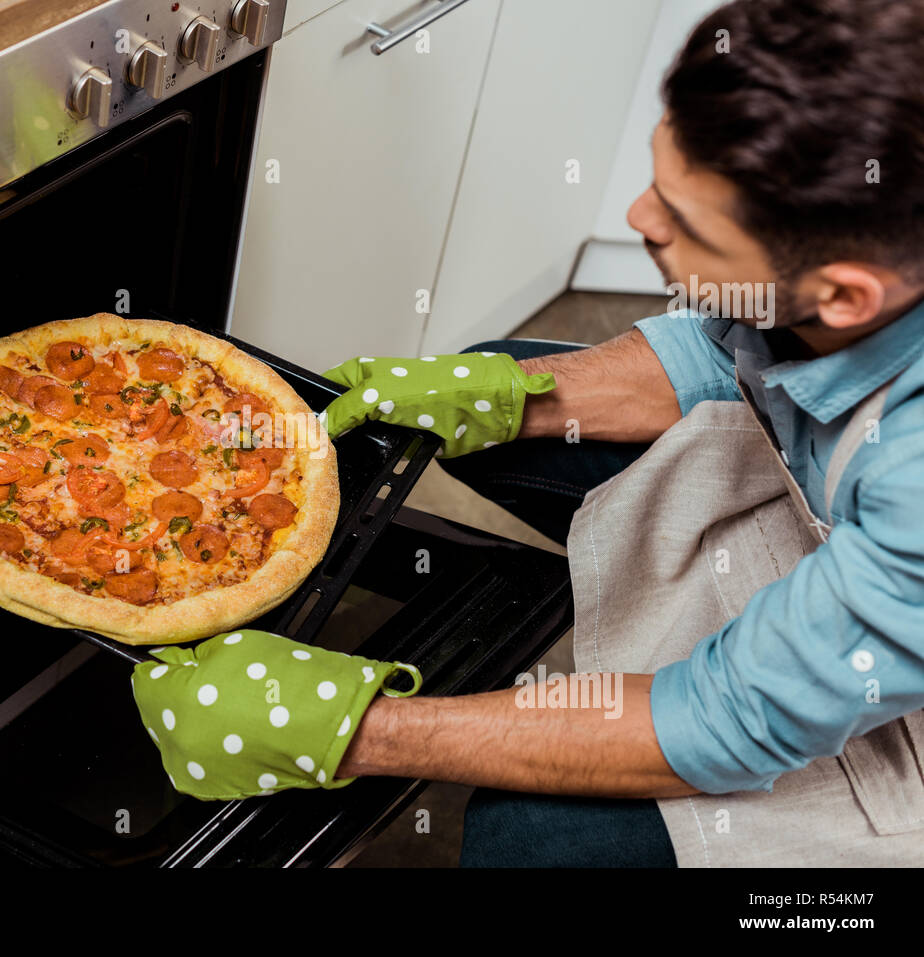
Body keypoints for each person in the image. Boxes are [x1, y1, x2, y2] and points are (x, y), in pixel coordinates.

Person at [131, 0, 924, 866]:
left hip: (901, 743)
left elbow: (723, 722)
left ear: (848, 294)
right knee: (511, 385)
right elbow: (724, 349)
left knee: (529, 839)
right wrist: (510, 393)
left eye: (688, 225)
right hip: (853, 552)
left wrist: (347, 729)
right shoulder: (853, 241)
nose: (639, 218)